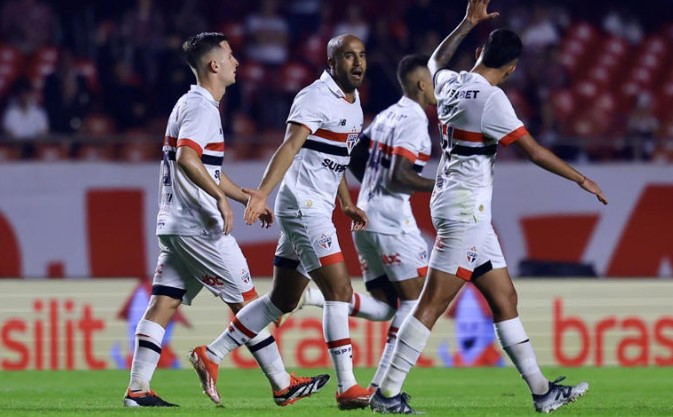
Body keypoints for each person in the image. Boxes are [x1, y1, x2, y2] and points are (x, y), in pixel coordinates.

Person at [369, 0, 608, 414]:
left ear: (480, 52)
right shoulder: (492, 99)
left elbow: (434, 60)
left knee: (504, 299)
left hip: (461, 207)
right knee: (431, 305)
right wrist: (581, 178)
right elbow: (532, 151)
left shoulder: (450, 83)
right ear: (513, 68)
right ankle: (386, 394)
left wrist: (465, 23)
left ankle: (542, 392)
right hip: (465, 211)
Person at [122, 32, 329, 408]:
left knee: (164, 303)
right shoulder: (202, 108)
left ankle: (137, 389)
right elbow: (188, 158)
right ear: (214, 65)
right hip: (199, 226)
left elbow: (207, 168)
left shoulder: (186, 103)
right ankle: (281, 383)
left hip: (173, 224)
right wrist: (219, 200)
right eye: (230, 56)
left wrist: (246, 195)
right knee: (248, 301)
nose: (236, 62)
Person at [188, 33, 373, 410]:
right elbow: (289, 146)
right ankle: (348, 386)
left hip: (317, 206)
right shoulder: (314, 96)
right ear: (330, 63)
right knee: (338, 292)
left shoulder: (354, 105)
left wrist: (347, 203)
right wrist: (261, 193)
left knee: (282, 300)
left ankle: (211, 353)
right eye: (348, 56)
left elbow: (332, 157)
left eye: (361, 55)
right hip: (303, 206)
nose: (357, 62)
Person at [287, 54, 437, 394]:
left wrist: (369, 183)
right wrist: (442, 183)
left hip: (367, 215)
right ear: (422, 84)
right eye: (434, 83)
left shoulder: (387, 115)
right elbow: (400, 176)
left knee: (387, 307)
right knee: (415, 304)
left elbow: (354, 155)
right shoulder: (413, 119)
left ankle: (312, 296)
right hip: (391, 220)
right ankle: (385, 388)